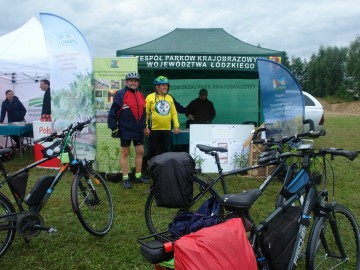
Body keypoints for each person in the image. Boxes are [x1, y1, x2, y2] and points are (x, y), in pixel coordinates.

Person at [107, 72, 150, 189]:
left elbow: (143, 113)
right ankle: (125, 178)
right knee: (125, 152)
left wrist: (145, 126)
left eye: (135, 81)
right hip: (125, 128)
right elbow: (113, 112)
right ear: (126, 82)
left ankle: (138, 175)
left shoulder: (140, 94)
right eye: (131, 80)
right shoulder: (121, 94)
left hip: (138, 129)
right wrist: (113, 128)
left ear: (138, 82)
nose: (133, 82)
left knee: (140, 151)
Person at [144, 76, 180, 161]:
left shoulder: (169, 97)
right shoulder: (150, 97)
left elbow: (174, 112)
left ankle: (164, 170)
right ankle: (151, 169)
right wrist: (145, 127)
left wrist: (176, 125)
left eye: (166, 85)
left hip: (166, 129)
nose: (166, 87)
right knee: (152, 150)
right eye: (163, 85)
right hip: (153, 129)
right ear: (157, 87)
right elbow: (146, 113)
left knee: (165, 151)